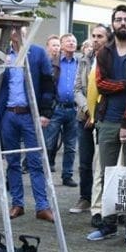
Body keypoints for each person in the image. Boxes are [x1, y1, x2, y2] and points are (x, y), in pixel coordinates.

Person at [88, 5, 126, 245]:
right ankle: (108, 225)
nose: (122, 23)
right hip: (107, 121)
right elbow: (102, 85)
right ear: (112, 23)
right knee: (108, 175)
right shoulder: (104, 52)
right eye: (118, 19)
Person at [0, 24, 56, 221]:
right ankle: (17, 204)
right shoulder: (2, 54)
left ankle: (42, 206)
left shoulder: (37, 53)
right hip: (8, 114)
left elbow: (48, 83)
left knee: (35, 161)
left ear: (26, 31)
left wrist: (45, 112)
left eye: (19, 28)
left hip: (31, 114)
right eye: (12, 29)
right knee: (12, 161)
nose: (16, 32)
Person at [71, 24, 109, 215]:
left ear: (108, 38)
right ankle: (85, 198)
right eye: (93, 35)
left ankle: (103, 200)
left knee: (104, 162)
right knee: (85, 161)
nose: (95, 39)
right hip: (84, 115)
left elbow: (109, 89)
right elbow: (77, 88)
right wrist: (87, 110)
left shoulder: (112, 59)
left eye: (100, 36)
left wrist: (95, 113)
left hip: (104, 116)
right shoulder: (85, 59)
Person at [45, 32, 79, 187]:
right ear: (62, 45)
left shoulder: (80, 63)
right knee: (49, 143)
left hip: (73, 109)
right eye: (68, 41)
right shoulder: (53, 62)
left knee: (71, 146)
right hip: (56, 108)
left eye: (74, 41)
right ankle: (44, 176)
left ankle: (67, 175)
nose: (71, 43)